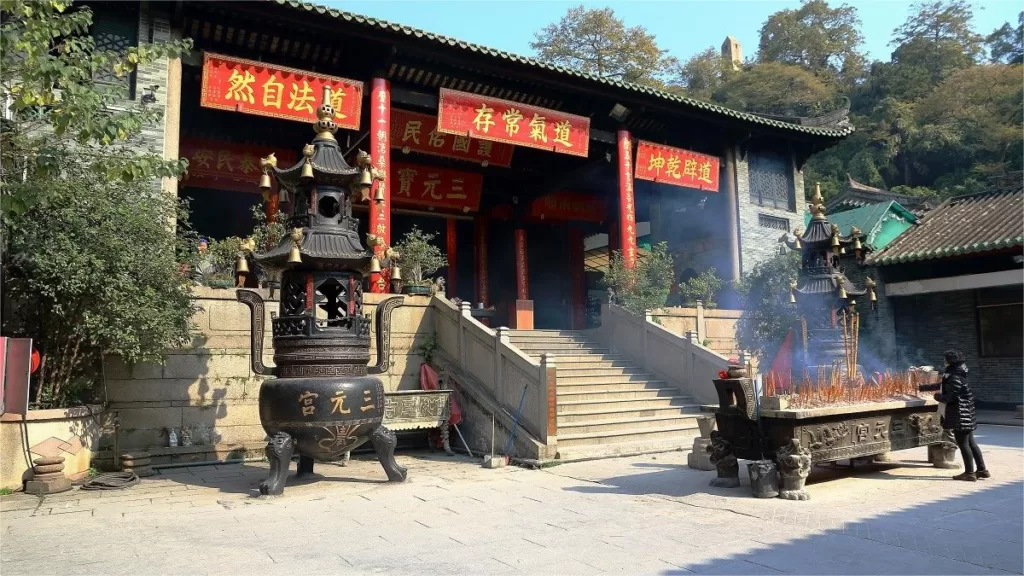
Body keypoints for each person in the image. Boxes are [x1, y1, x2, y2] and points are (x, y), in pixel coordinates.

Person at [934, 349, 989, 481]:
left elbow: (952, 396)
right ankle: (982, 470)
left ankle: (969, 473)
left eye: (946, 360)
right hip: (965, 413)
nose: (944, 362)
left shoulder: (954, 376)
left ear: (951, 361)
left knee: (964, 444)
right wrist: (923, 388)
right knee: (971, 443)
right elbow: (945, 386)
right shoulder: (958, 372)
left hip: (960, 414)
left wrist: (938, 397)